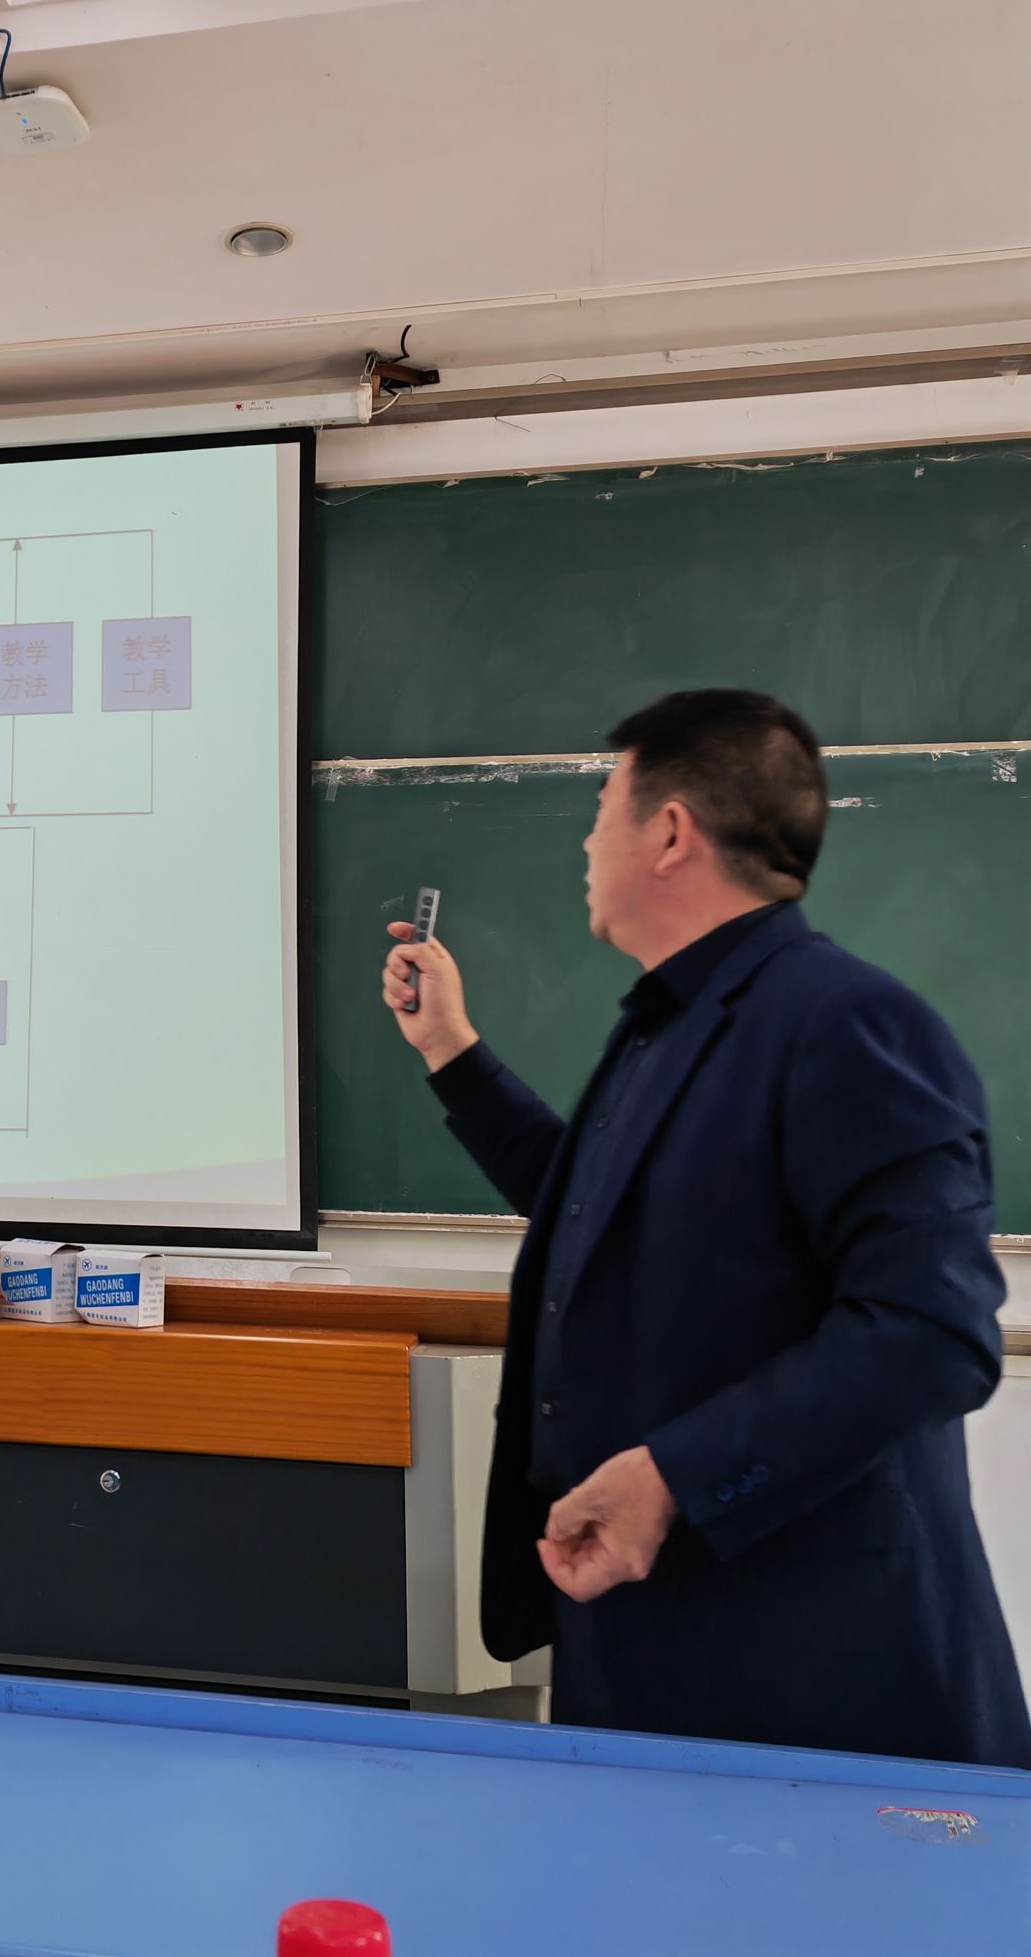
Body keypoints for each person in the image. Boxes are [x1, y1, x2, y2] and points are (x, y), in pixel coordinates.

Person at [380, 689, 1030, 1766]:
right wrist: (451, 1050)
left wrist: (671, 1476)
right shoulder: (665, 1030)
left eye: (601, 809)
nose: (585, 842)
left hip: (811, 1675)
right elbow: (591, 1209)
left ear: (671, 832)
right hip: (647, 1643)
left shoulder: (848, 1024)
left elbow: (931, 1333)